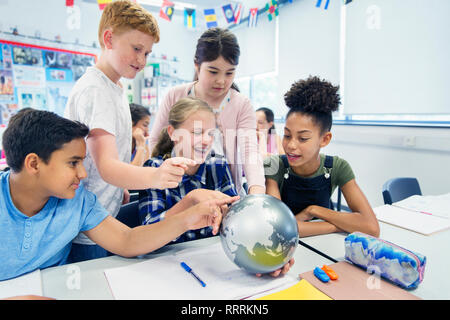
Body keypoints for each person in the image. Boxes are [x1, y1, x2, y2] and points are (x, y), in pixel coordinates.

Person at [0, 108, 238, 283]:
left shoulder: (78, 201)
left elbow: (127, 240)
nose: (83, 174)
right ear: (33, 164)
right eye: (73, 163)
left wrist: (188, 218)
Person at [64, 0, 196, 262]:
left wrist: (120, 186)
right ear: (109, 38)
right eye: (136, 49)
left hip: (104, 213)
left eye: (147, 53)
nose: (142, 60)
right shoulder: (96, 90)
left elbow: (111, 161)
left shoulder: (115, 87)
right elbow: (107, 167)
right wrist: (156, 176)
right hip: (89, 227)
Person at [141, 97, 294, 277]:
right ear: (173, 133)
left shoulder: (218, 165)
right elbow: (148, 230)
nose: (206, 141)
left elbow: (235, 220)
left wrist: (266, 256)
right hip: (165, 267)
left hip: (212, 265)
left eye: (211, 134)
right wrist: (191, 200)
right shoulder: (154, 169)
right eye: (197, 132)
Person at [148, 27, 265, 197]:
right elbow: (156, 141)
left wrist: (257, 194)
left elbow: (250, 153)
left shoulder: (241, 104)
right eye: (213, 71)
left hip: (226, 195)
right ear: (197, 65)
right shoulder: (176, 95)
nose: (221, 81)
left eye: (230, 73)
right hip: (177, 193)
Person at [264, 76, 380, 238]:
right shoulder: (274, 165)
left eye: (303, 138)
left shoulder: (337, 167)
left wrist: (314, 210)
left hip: (326, 245)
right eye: (287, 135)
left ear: (325, 139)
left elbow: (371, 227)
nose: (291, 145)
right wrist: (336, 226)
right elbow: (279, 228)